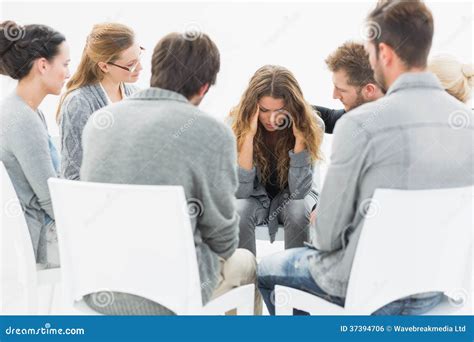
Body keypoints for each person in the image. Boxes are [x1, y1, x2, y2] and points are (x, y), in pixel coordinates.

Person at [258, 0, 473, 315]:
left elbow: (327, 237)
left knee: (267, 268)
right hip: (437, 289)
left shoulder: (359, 124)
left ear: (384, 54)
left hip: (364, 290)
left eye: (371, 53)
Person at [80, 32, 260, 315]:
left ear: (155, 71)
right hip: (170, 293)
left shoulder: (98, 124)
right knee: (246, 262)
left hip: (99, 287)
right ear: (204, 88)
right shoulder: (212, 132)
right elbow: (224, 241)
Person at [230, 65, 324, 256]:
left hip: (296, 195)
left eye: (280, 110)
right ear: (253, 106)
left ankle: (294, 282)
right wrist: (247, 136)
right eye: (264, 110)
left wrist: (300, 140)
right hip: (253, 197)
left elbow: (299, 192)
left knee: (297, 210)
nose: (271, 118)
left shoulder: (312, 125)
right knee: (238, 211)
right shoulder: (234, 124)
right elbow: (241, 191)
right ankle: (246, 283)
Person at [0, 21, 70, 267]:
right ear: (43, 65)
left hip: (34, 234)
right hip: (39, 243)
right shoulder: (22, 118)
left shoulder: (20, 109)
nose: (68, 74)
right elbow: (50, 198)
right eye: (65, 64)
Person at [57, 23, 141, 180]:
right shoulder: (79, 103)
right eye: (131, 65)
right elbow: (72, 175)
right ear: (104, 66)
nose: (140, 67)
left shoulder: (135, 95)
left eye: (139, 57)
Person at [313, 41, 385, 134]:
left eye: (341, 90)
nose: (334, 96)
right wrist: (294, 106)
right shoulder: (364, 109)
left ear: (369, 90)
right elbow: (331, 119)